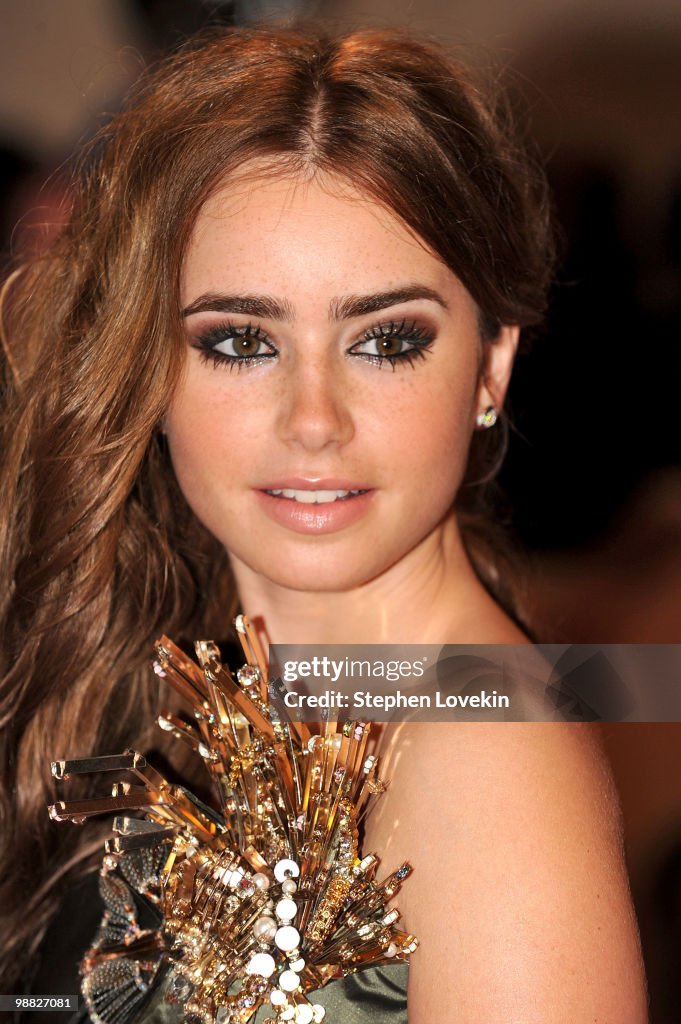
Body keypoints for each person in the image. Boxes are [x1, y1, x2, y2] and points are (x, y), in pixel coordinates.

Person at [0, 24, 648, 1023]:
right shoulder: (190, 659)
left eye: (387, 340)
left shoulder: (485, 761)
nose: (313, 419)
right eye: (239, 341)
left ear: (491, 366)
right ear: (152, 366)